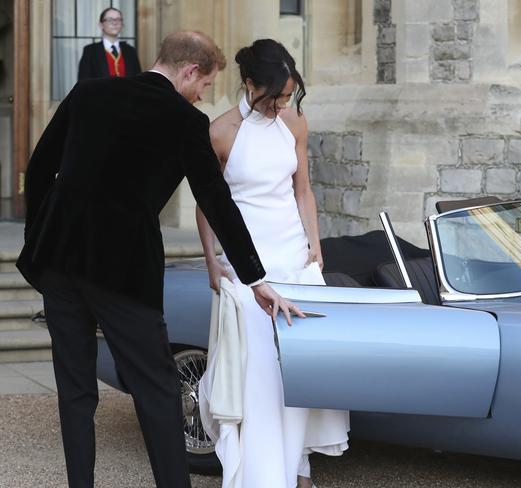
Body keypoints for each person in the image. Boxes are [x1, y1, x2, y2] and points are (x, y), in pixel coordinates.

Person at [16, 31, 300, 488]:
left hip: (60, 261)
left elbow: (42, 162)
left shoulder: (89, 92)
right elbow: (215, 198)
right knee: (159, 391)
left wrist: (38, 242)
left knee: (75, 391)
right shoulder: (186, 120)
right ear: (190, 71)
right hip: (123, 270)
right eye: (205, 84)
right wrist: (256, 277)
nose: (202, 93)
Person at [196, 39, 349, 488]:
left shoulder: (295, 121)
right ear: (249, 85)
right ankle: (262, 475)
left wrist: (315, 246)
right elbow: (208, 205)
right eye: (275, 97)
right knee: (259, 374)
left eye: (287, 96)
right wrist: (211, 261)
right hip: (248, 265)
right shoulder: (220, 131)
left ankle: (298, 467)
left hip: (294, 259)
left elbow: (303, 187)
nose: (283, 104)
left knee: (301, 369)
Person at [77, 7, 141, 81]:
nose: (115, 23)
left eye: (118, 19)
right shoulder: (90, 51)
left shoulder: (130, 51)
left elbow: (138, 80)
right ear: (101, 25)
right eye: (110, 20)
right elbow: (84, 82)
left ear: (122, 24)